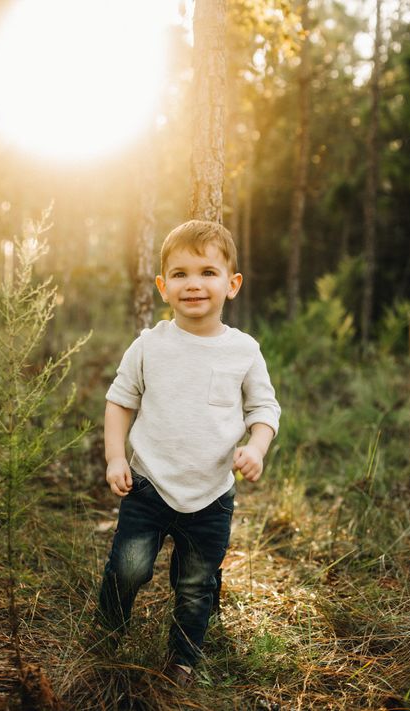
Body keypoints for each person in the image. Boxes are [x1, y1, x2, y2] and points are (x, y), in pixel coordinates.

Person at [98, 219, 281, 686]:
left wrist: (256, 447)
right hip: (148, 486)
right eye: (179, 274)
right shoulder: (149, 346)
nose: (193, 284)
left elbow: (264, 407)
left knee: (196, 584)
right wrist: (116, 458)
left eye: (208, 272)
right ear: (162, 286)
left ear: (232, 284)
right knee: (128, 569)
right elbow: (120, 402)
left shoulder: (243, 350)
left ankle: (182, 659)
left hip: (211, 496)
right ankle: (107, 636)